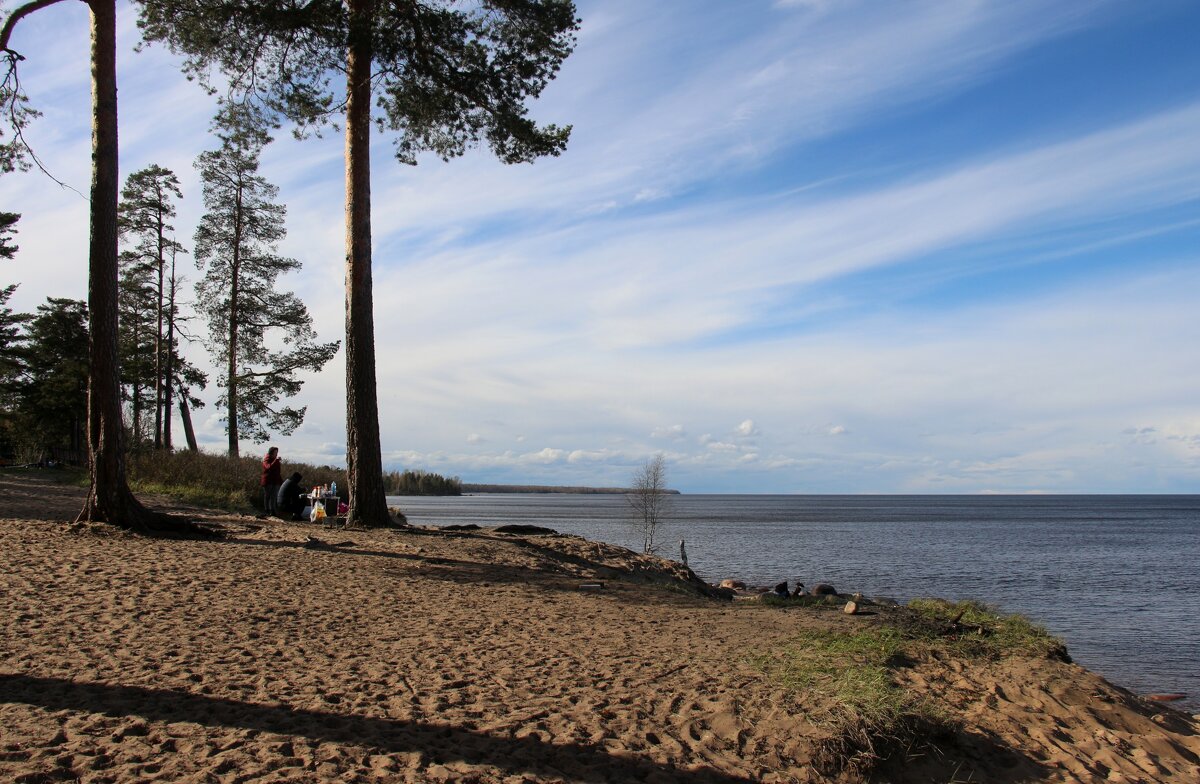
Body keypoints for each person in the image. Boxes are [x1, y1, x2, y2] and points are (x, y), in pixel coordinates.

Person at [261, 447, 283, 516]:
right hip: (268, 481)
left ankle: (272, 510)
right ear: (271, 453)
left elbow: (278, 472)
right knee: (267, 496)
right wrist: (276, 461)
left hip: (276, 481)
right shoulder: (266, 460)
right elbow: (268, 467)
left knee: (274, 496)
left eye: (277, 453)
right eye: (275, 452)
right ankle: (266, 510)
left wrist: (281, 481)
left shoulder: (276, 461)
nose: (276, 454)